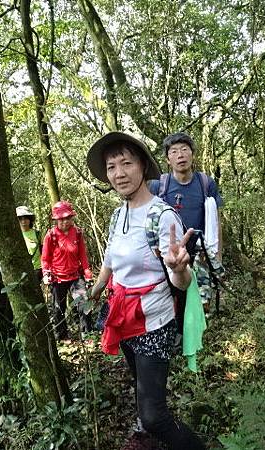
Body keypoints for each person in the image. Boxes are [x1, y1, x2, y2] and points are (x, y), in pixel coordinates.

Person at [86, 131, 206, 450]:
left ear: (142, 167)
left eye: (126, 163)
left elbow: (181, 281)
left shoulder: (162, 216)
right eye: (111, 166)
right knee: (140, 381)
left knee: (156, 415)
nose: (119, 173)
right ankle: (144, 433)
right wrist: (97, 288)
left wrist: (180, 269)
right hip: (123, 315)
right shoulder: (118, 214)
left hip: (153, 321)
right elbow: (111, 257)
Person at [149, 132, 224, 308]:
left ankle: (197, 333)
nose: (180, 155)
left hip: (200, 253)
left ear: (192, 154)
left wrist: (218, 255)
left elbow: (216, 220)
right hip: (169, 256)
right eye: (174, 151)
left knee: (201, 305)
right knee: (172, 303)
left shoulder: (205, 183)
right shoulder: (158, 185)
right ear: (168, 160)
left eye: (184, 149)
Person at [41, 200, 93, 341]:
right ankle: (62, 336)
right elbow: (45, 258)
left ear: (71, 218)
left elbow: (83, 255)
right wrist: (46, 273)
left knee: (84, 305)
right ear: (56, 220)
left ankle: (87, 334)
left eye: (67, 218)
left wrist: (87, 273)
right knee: (58, 309)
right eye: (61, 219)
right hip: (57, 278)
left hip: (76, 276)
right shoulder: (50, 236)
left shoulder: (77, 233)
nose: (64, 222)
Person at [16, 205, 43, 284]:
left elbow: (43, 251)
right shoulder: (15, 235)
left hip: (37, 269)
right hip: (22, 271)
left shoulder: (37, 234)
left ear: (30, 219)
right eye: (20, 219)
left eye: (26, 218)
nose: (23, 221)